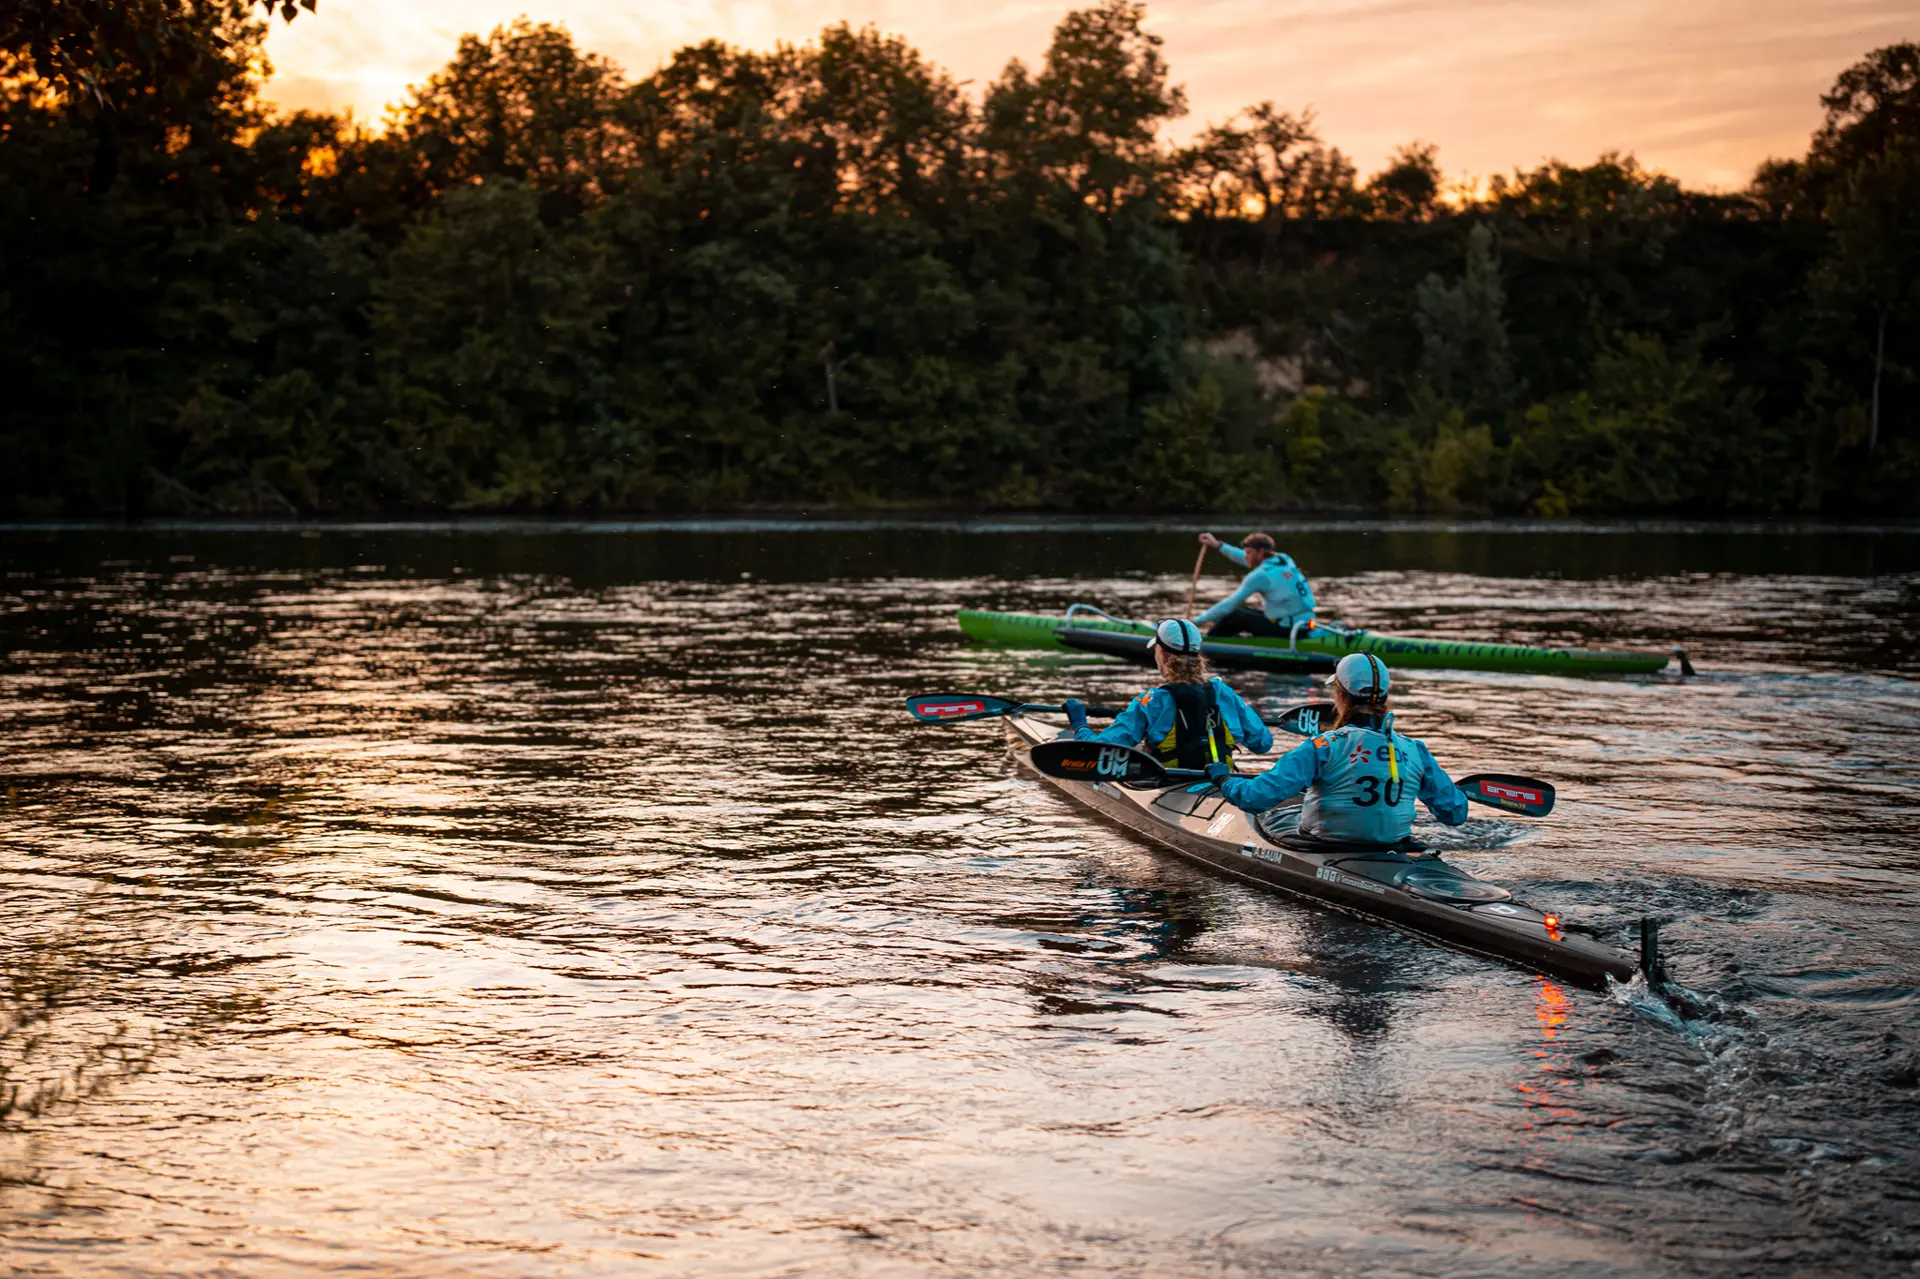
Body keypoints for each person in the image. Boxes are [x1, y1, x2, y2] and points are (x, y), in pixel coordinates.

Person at [1204, 653, 1467, 846]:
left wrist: (1223, 779)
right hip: (1392, 848)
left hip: (1326, 845)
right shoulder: (1415, 750)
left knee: (1276, 810)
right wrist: (1451, 791)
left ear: (1340, 695)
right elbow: (1455, 814)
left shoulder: (1323, 746)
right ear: (1385, 698)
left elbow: (1254, 798)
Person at [1061, 618, 1274, 767]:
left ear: (1161, 653)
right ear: (1198, 655)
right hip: (1220, 783)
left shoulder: (1151, 701)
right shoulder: (1223, 692)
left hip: (1170, 783)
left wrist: (1079, 724)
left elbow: (1099, 752)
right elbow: (1263, 744)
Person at [1193, 531, 1316, 639]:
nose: (1246, 556)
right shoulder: (1285, 559)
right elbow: (1244, 558)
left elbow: (1228, 605)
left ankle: (1209, 643)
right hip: (1306, 624)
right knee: (1246, 611)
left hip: (1288, 630)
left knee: (1236, 616)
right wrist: (1218, 545)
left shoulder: (1260, 576)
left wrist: (1195, 621)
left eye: (1249, 553)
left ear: (1260, 552)